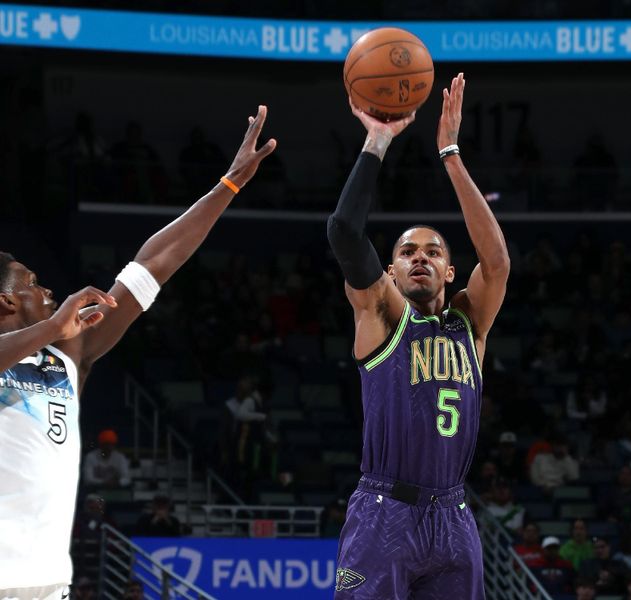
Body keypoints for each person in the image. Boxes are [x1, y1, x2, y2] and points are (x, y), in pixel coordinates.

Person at [0, 105, 277, 599]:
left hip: (47, 584)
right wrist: (49, 329)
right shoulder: (39, 342)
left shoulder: (69, 354)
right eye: (32, 284)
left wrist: (227, 186)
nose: (46, 293)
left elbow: (151, 263)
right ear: (4, 301)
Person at [327, 73, 510, 599]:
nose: (421, 258)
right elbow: (343, 231)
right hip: (386, 512)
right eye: (408, 252)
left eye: (433, 252)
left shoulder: (469, 325)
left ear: (451, 272)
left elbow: (496, 261)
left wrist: (451, 154)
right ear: (390, 271)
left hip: (453, 514)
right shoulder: (381, 314)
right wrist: (378, 140)